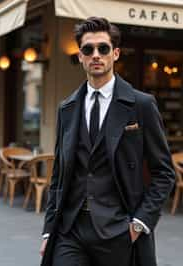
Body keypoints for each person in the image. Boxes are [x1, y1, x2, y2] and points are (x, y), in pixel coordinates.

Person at [40, 17, 175, 266]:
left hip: (118, 230)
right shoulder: (67, 108)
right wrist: (49, 230)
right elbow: (59, 175)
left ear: (115, 53)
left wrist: (139, 223)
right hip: (71, 230)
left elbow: (164, 173)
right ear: (80, 56)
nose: (96, 55)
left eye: (103, 48)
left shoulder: (141, 104)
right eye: (88, 49)